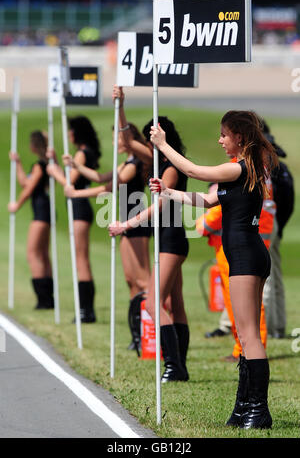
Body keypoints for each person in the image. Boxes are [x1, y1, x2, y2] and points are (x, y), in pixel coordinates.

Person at [149, 111, 279, 429]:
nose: (220, 140)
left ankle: (258, 411)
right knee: (244, 333)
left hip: (247, 256)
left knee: (248, 335)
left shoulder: (239, 167)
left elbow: (192, 169)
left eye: (224, 135)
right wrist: (168, 193)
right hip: (246, 255)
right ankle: (243, 407)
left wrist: (163, 145)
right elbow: (208, 201)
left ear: (239, 136)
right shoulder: (238, 171)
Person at [63, 107, 152, 351]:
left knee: (143, 279)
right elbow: (101, 177)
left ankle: (152, 331)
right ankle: (137, 335)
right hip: (126, 222)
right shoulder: (125, 162)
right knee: (130, 279)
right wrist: (77, 167)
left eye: (117, 137)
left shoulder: (134, 163)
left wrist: (78, 192)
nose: (115, 142)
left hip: (137, 220)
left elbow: (110, 187)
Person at [109, 115, 190, 383]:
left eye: (151, 139)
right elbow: (130, 143)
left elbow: (161, 206)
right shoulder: (161, 160)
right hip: (168, 239)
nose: (148, 144)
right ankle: (180, 365)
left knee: (154, 303)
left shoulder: (170, 167)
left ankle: (173, 365)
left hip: (171, 239)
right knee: (176, 303)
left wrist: (126, 224)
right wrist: (120, 105)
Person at [197, 177, 272, 362]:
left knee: (242, 304)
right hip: (246, 246)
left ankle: (247, 349)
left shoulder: (238, 174)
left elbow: (204, 224)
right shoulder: (255, 175)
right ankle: (244, 348)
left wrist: (203, 218)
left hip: (236, 250)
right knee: (243, 304)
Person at [47, 116, 101, 323]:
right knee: (81, 258)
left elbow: (69, 183)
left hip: (79, 207)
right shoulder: (87, 151)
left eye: (71, 131)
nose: (69, 134)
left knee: (81, 259)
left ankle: (86, 310)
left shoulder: (81, 153)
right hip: (81, 208)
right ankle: (85, 309)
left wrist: (54, 172)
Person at [8, 131, 54, 310]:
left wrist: (17, 205)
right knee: (42, 254)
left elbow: (28, 189)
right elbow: (24, 183)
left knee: (33, 253)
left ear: (34, 146)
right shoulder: (45, 163)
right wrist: (18, 163)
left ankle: (43, 298)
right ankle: (47, 297)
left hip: (41, 212)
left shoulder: (39, 165)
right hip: (44, 210)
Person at [262, 120, 294, 338]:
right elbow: (289, 202)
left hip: (264, 222)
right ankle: (277, 327)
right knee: (275, 276)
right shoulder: (279, 165)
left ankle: (268, 329)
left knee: (265, 278)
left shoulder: (258, 162)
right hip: (274, 223)